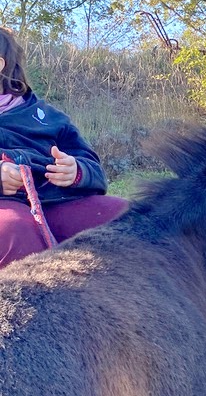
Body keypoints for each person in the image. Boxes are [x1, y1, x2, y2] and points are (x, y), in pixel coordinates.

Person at [0, 27, 127, 267]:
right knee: (15, 233)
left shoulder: (49, 117)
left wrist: (76, 171)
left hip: (55, 201)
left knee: (123, 216)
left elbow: (94, 170)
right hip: (7, 208)